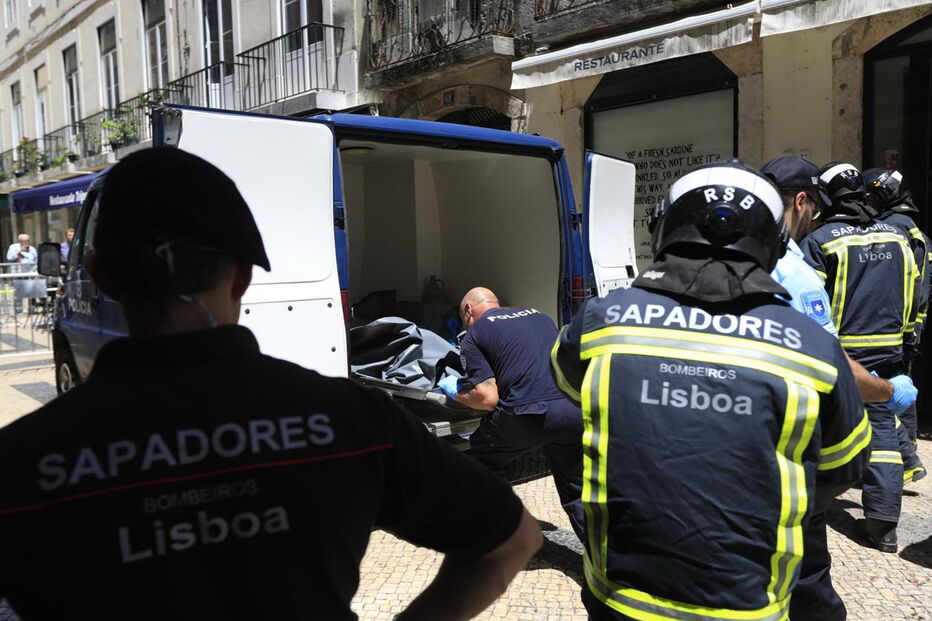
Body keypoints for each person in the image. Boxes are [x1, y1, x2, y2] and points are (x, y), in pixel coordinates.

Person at [0, 147, 542, 621]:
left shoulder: (24, 467)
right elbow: (513, 539)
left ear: (102, 277)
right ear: (242, 275)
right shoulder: (354, 421)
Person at [553, 160, 867, 621]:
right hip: (748, 605)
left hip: (620, 599)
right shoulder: (814, 348)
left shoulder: (600, 322)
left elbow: (570, 385)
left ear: (662, 229)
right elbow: (842, 468)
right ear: (775, 246)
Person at [762, 156, 916, 620]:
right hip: (811, 414)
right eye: (815, 209)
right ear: (802, 201)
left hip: (739, 434)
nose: (818, 219)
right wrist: (891, 390)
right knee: (808, 579)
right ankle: (884, 524)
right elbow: (828, 364)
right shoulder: (796, 266)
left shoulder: (760, 255)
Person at [801, 162, 919, 553]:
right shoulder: (898, 236)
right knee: (883, 428)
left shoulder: (822, 240)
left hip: (842, 351)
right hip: (888, 348)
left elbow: (808, 301)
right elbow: (915, 293)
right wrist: (905, 342)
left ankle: (809, 505)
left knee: (823, 424)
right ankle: (883, 525)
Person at [438, 287, 584, 540]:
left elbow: (487, 398)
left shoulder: (474, 334)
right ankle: (608, 563)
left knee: (481, 457)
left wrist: (456, 393)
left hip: (528, 416)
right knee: (576, 489)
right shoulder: (540, 316)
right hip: (572, 409)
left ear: (468, 311)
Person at [863, 167, 928, 484]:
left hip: (890, 328)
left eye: (871, 197)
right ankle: (909, 457)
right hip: (908, 327)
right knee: (903, 389)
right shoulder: (913, 229)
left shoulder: (890, 230)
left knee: (886, 396)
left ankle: (904, 461)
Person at [5, 234, 38, 316]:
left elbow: (36, 260)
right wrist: (20, 251)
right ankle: (19, 310)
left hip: (30, 273)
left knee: (32, 292)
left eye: (27, 241)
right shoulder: (13, 247)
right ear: (19, 241)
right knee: (19, 292)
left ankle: (32, 309)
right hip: (18, 273)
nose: (25, 243)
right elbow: (9, 258)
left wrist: (35, 270)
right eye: (23, 241)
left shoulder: (32, 249)